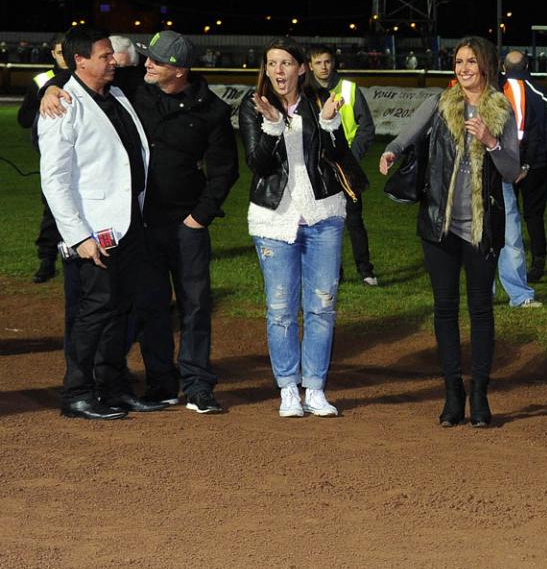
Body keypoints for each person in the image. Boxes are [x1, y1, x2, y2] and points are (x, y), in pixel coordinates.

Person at [39, 30, 240, 414]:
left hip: (161, 227)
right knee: (121, 309)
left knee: (162, 308)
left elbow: (224, 171)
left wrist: (199, 217)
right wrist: (52, 87)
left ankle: (162, 386)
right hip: (119, 228)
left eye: (156, 60)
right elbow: (55, 175)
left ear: (178, 70)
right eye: (106, 55)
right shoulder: (107, 93)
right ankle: (116, 389)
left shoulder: (194, 106)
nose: (133, 62)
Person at [380, 36, 520, 428]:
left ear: (486, 66)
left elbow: (512, 170)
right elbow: (407, 135)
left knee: (480, 310)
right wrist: (391, 151)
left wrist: (491, 141)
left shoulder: (501, 109)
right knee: (444, 309)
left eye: (471, 61)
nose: (464, 68)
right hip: (438, 226)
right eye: (459, 62)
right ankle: (452, 392)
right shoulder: (441, 104)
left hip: (480, 229)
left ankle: (479, 393)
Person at [39, 28, 165, 420]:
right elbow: (55, 180)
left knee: (122, 309)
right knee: (95, 311)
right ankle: (77, 393)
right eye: (105, 55)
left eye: (112, 54)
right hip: (94, 231)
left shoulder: (118, 93)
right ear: (80, 61)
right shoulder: (62, 105)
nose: (114, 61)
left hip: (129, 225)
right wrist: (79, 237)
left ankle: (113, 387)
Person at [240, 38, 352, 418]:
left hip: (324, 216)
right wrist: (272, 127)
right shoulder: (253, 106)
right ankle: (288, 389)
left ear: (301, 68)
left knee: (321, 306)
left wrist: (331, 124)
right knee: (281, 308)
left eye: (286, 63)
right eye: (272, 63)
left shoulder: (321, 102)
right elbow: (258, 165)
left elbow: (340, 156)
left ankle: (315, 388)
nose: (279, 71)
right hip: (274, 219)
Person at [309, 44, 378, 286]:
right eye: (318, 63)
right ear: (310, 66)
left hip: (347, 168)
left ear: (334, 63)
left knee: (355, 221)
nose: (323, 67)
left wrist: (351, 157)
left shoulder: (348, 89)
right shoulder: (307, 93)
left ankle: (366, 271)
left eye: (327, 61)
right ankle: (333, 273)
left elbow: (367, 128)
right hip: (320, 169)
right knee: (325, 223)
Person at [502, 49, 547, 284]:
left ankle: (506, 264)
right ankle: (538, 262)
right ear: (527, 65)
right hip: (537, 167)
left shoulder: (498, 92)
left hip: (506, 164)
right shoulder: (540, 93)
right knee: (533, 216)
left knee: (507, 217)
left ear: (503, 67)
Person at [18, 33, 67, 283]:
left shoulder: (88, 78)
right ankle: (47, 260)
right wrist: (43, 104)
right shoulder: (41, 80)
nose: (65, 57)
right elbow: (23, 119)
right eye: (60, 52)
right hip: (53, 159)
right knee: (53, 210)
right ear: (53, 54)